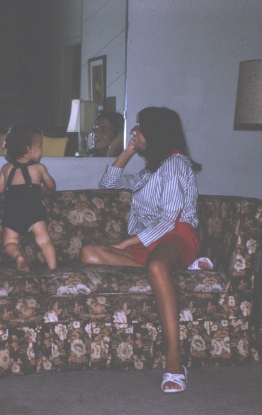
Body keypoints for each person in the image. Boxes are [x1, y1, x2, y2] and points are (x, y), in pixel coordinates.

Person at [80, 107, 202, 394]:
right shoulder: (152, 170)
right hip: (150, 243)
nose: (134, 131)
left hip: (175, 236)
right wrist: (129, 150)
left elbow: (170, 219)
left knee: (157, 266)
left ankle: (174, 359)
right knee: (89, 253)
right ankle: (179, 269)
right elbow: (108, 183)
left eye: (139, 127)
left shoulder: (175, 164)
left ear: (155, 132)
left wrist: (127, 243)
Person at [0, 125, 57, 272]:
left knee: (10, 242)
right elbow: (52, 186)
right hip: (33, 210)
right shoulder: (39, 168)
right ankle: (53, 270)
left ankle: (18, 257)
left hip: (13, 211)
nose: (42, 150)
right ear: (29, 149)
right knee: (44, 240)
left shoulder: (7, 168)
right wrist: (46, 185)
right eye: (40, 146)